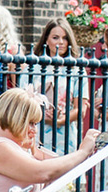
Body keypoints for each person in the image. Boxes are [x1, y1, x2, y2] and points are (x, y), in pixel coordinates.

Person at [32, 18, 86, 146]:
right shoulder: (33, 68)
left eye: (65, 38)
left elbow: (81, 109)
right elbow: (21, 101)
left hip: (65, 137)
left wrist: (62, 119)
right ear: (46, 39)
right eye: (55, 38)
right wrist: (41, 114)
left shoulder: (76, 70)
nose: (61, 42)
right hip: (36, 131)